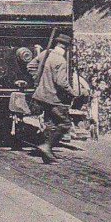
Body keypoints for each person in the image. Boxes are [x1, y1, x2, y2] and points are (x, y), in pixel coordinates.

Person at [28, 32, 83, 163]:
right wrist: (73, 93)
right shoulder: (61, 61)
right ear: (66, 47)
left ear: (57, 44)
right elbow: (61, 82)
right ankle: (46, 147)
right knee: (65, 124)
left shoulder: (46, 54)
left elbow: (30, 66)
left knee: (50, 123)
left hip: (40, 96)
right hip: (53, 98)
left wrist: (37, 78)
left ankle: (47, 155)